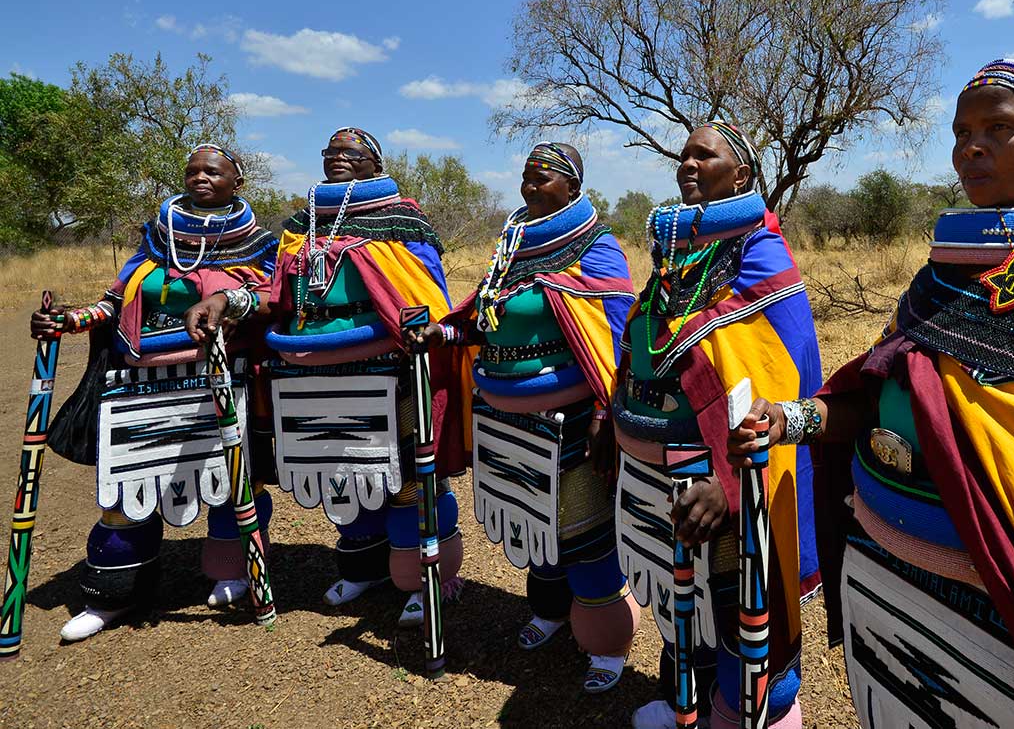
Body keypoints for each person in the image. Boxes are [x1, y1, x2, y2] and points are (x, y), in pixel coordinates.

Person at [731, 59, 1014, 728]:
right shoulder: (941, 280)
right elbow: (877, 392)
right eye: (962, 132)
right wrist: (792, 418)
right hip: (893, 586)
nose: (972, 148)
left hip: (1012, 617)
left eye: (1000, 129)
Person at [188, 128, 466, 624]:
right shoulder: (302, 223)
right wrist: (227, 300)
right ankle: (364, 568)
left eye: (350, 153)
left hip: (391, 370)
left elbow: (422, 291)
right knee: (344, 473)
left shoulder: (401, 219)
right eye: (330, 152)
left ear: (374, 163)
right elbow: (279, 296)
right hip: (314, 373)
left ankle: (428, 580)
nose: (337, 159)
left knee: (406, 479)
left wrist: (416, 329)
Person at [407, 142, 640, 693]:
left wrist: (608, 408)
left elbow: (615, 334)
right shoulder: (509, 248)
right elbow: (483, 316)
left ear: (574, 185)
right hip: (505, 421)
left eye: (545, 177)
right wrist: (443, 332)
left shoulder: (597, 248)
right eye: (526, 177)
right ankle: (552, 612)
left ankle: (608, 642)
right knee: (534, 525)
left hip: (571, 419)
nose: (531, 186)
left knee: (582, 532)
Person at [616, 122, 821, 728]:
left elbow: (782, 377)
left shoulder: (760, 254)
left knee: (742, 620)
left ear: (742, 176)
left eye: (705, 155)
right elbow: (643, 340)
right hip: (657, 473)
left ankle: (745, 718)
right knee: (682, 612)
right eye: (683, 155)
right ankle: (690, 708)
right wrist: (613, 415)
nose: (688, 164)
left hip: (724, 482)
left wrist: (734, 484)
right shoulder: (678, 255)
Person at [31, 143, 278, 641]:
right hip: (140, 379)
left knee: (233, 478)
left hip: (224, 377)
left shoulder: (258, 243)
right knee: (126, 486)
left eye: (212, 171)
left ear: (238, 181)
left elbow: (270, 296)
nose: (200, 177)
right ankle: (112, 594)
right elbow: (115, 301)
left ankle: (233, 570)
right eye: (192, 171)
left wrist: (228, 299)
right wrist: (71, 321)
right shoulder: (156, 239)